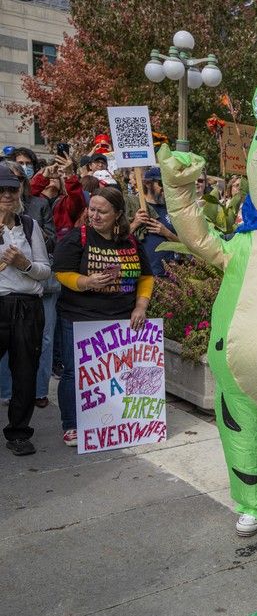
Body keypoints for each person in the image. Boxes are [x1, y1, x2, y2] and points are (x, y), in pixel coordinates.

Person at [53, 187, 153, 447]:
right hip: (79, 317)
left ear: (118, 214)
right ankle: (72, 424)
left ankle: (112, 420)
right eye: (92, 209)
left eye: (102, 211)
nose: (94, 215)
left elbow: (146, 277)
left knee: (115, 373)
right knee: (74, 373)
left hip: (120, 318)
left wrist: (140, 307)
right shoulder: (78, 238)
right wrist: (86, 281)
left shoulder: (130, 241)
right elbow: (61, 273)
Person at [0, 164, 52, 455]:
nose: (7, 195)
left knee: (24, 371)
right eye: (1, 190)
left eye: (12, 188)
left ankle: (18, 432)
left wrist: (25, 265)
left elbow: (45, 271)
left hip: (28, 307)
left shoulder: (28, 225)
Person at [130, 166, 180, 276]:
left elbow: (183, 245)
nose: (165, 188)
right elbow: (119, 238)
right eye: (161, 183)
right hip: (142, 275)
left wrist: (167, 233)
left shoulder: (172, 210)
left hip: (168, 277)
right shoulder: (134, 206)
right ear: (148, 183)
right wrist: (135, 223)